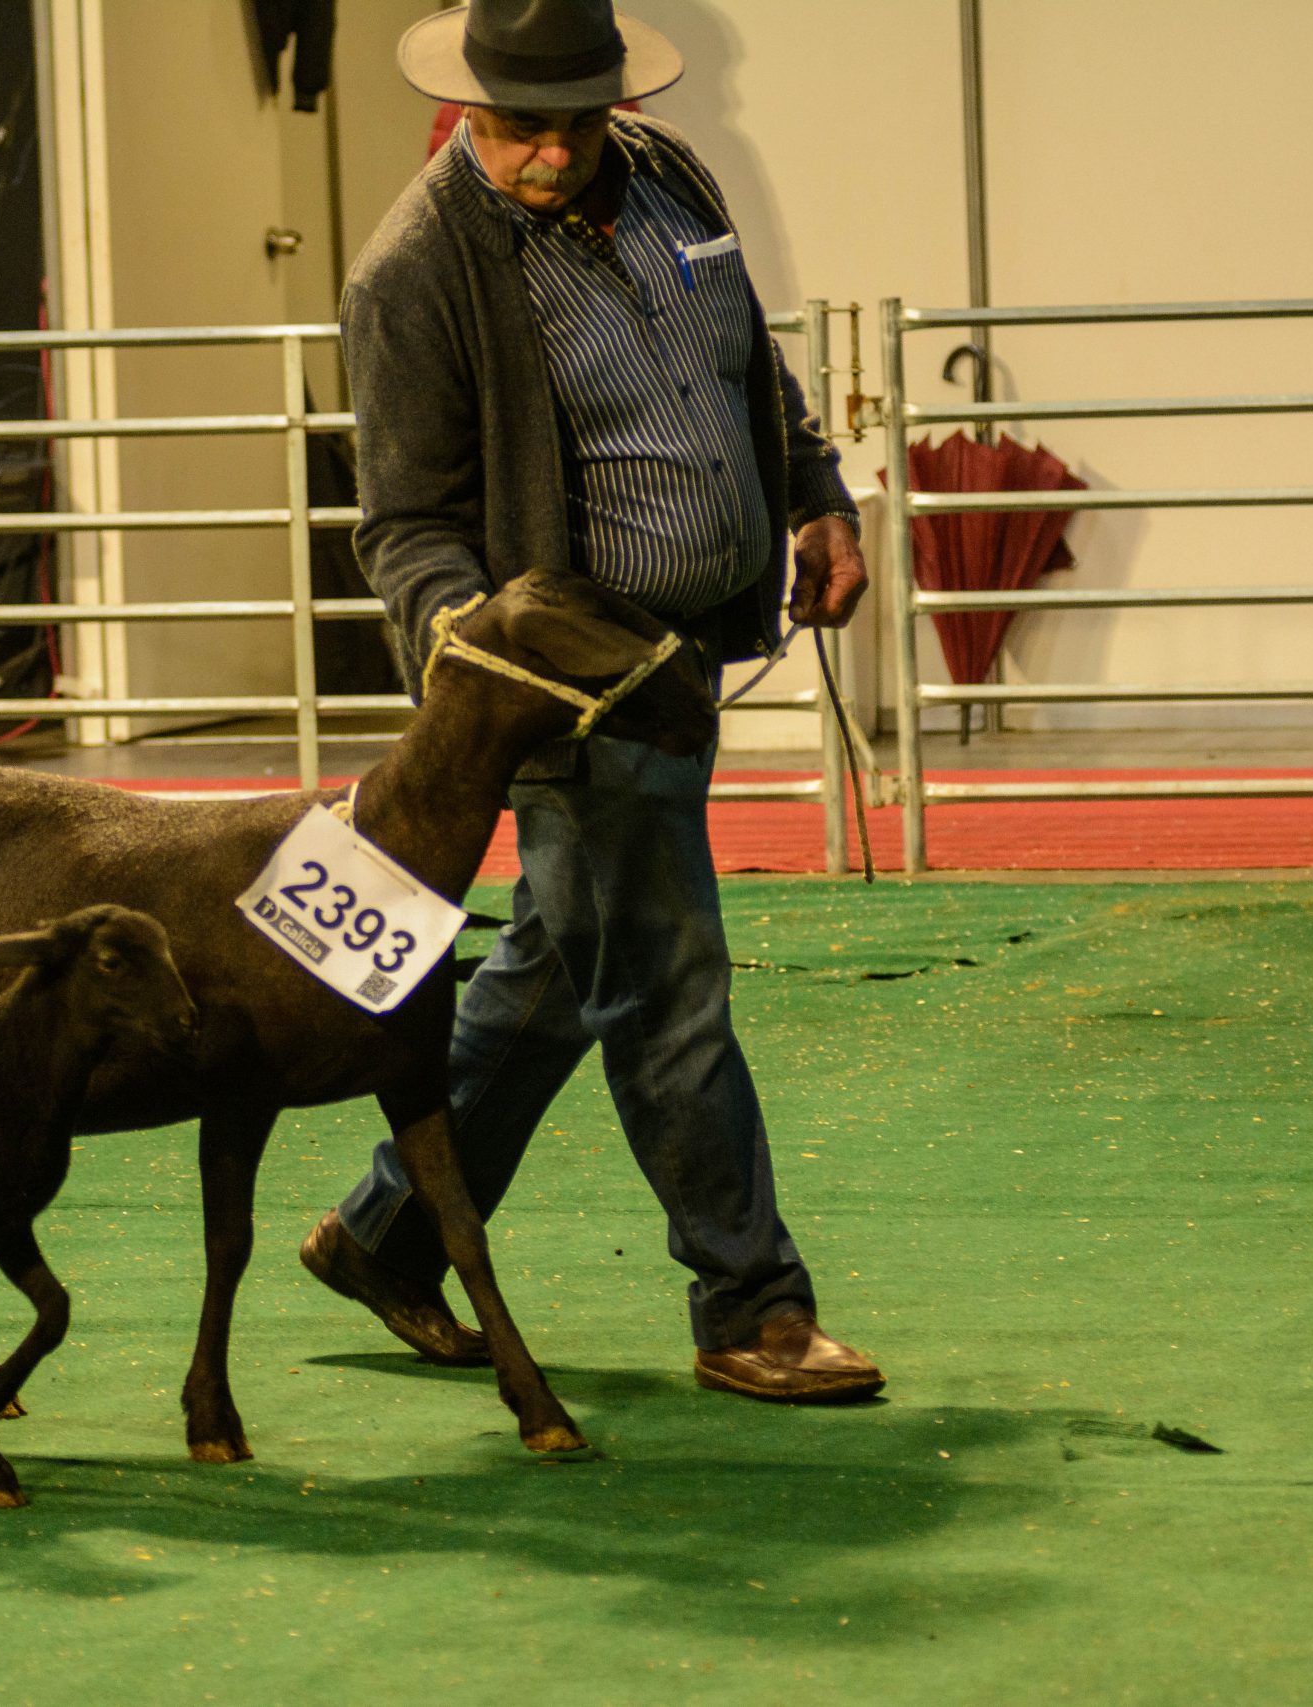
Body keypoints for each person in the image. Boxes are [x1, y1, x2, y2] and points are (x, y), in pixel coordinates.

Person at [298, 0, 883, 1403]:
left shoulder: (674, 172)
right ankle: (752, 1304)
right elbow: (406, 527)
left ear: (612, 99)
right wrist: (484, 657)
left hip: (687, 656)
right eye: (518, 128)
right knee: (668, 985)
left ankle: (385, 1233)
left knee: (561, 966)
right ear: (469, 102)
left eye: (571, 122)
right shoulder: (415, 272)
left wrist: (811, 493)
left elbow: (747, 362)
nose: (548, 155)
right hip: (572, 692)